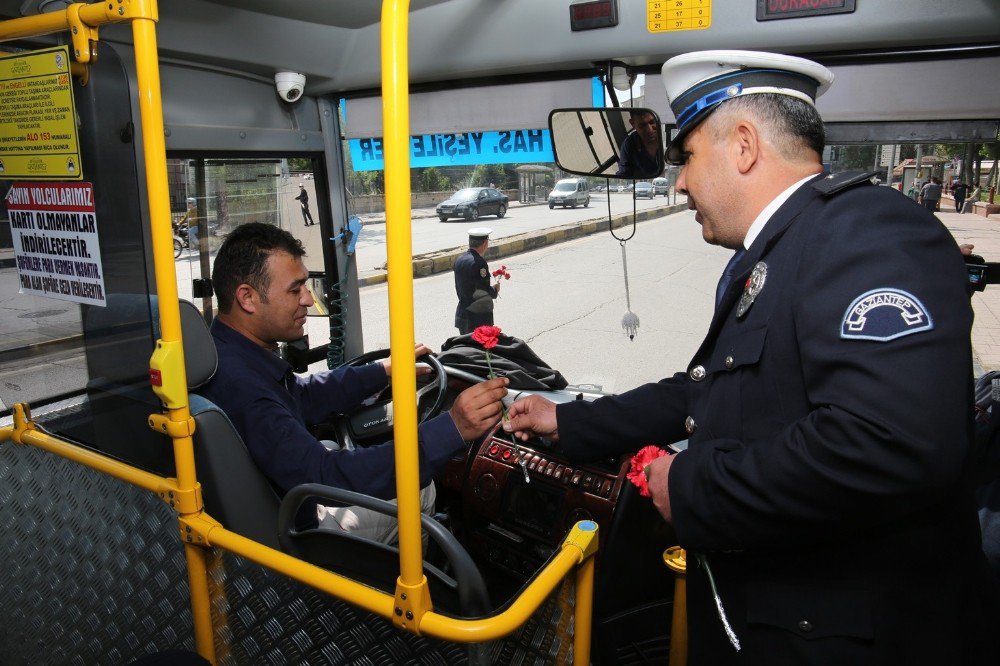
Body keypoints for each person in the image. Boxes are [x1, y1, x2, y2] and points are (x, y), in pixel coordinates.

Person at [504, 50, 999, 664]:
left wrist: (692, 485)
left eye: (687, 157)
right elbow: (711, 390)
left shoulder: (867, 230)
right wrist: (570, 420)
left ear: (743, 145)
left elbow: (889, 441)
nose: (680, 182)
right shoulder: (787, 246)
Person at [201, 223, 507, 544]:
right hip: (297, 533)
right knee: (422, 489)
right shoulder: (246, 390)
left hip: (274, 506)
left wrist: (381, 370)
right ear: (247, 298)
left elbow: (303, 396)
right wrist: (452, 428)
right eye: (295, 290)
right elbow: (326, 478)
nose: (308, 299)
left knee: (333, 445)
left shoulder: (224, 354)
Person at [453, 227, 499, 335]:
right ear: (484, 244)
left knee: (466, 349)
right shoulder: (479, 263)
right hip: (477, 318)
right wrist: (495, 290)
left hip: (463, 313)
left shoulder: (459, 259)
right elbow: (483, 291)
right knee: (480, 351)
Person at [615, 109, 662, 179]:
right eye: (642, 125)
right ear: (633, 124)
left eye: (652, 122)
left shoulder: (668, 138)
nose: (649, 130)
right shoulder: (629, 144)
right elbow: (624, 174)